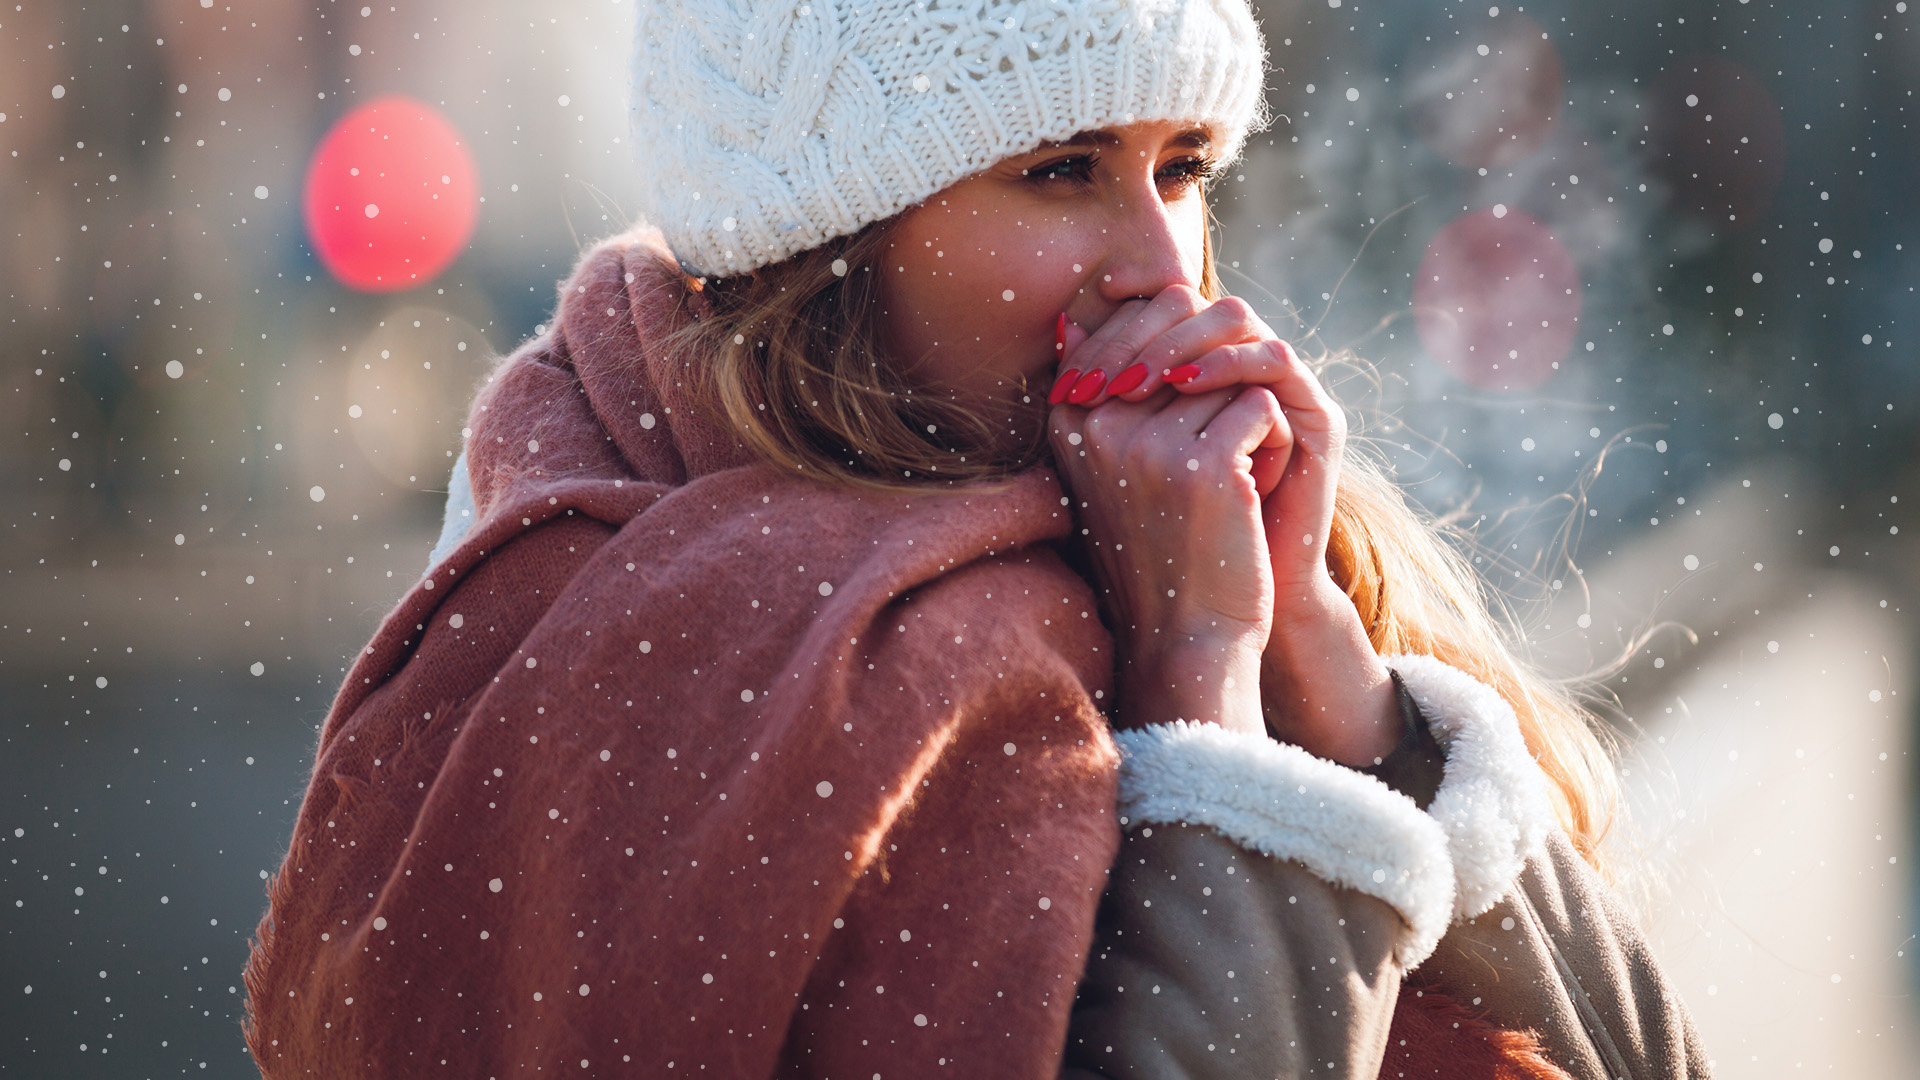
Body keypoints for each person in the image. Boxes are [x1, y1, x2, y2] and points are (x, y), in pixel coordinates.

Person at [244, 0, 1711, 1075]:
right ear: (834, 238)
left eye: (1184, 165)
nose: (1156, 265)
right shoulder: (673, 621)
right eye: (1063, 171)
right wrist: (1204, 686)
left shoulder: (1212, 538)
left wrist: (1338, 681)